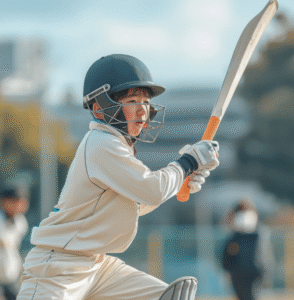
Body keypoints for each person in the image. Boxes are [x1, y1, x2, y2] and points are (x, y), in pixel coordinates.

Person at [17, 54, 220, 300]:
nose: (142, 110)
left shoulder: (117, 146)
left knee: (167, 297)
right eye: (133, 100)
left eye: (146, 101)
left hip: (98, 266)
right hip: (59, 266)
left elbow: (135, 203)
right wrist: (187, 163)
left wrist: (179, 183)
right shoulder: (101, 142)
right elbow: (151, 189)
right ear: (99, 109)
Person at [222, 199, 275, 300]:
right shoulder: (234, 237)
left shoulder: (260, 234)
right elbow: (226, 259)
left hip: (253, 276)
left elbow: (265, 258)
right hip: (238, 276)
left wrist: (266, 273)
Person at [0, 189, 29, 300]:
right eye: (14, 201)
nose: (18, 205)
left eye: (20, 202)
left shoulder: (21, 222)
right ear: (3, 202)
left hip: (10, 272)